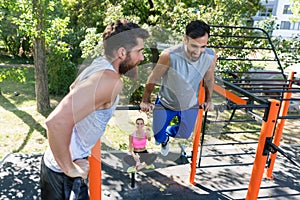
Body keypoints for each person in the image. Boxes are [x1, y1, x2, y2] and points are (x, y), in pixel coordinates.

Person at [40, 19, 149, 200]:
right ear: (122, 52)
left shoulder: (98, 66)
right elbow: (55, 122)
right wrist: (70, 168)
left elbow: (73, 89)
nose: (143, 58)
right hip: (64, 175)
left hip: (57, 167)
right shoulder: (110, 81)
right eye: (139, 52)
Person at [140, 20, 217, 156]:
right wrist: (145, 100)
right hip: (166, 103)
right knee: (158, 137)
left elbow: (209, 78)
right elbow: (153, 78)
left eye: (203, 46)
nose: (198, 52)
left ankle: (169, 132)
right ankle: (164, 139)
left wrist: (209, 100)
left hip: (189, 104)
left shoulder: (210, 56)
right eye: (194, 46)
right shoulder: (169, 55)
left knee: (184, 134)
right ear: (185, 39)